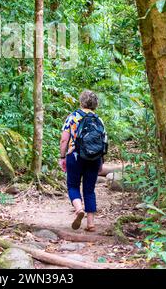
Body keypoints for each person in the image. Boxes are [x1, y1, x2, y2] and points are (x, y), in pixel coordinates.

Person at [59, 90, 107, 232]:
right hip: (94, 158)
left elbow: (64, 139)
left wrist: (62, 157)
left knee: (73, 186)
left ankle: (79, 209)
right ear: (95, 104)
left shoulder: (72, 117)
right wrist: (101, 162)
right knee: (89, 190)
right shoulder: (99, 120)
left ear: (81, 101)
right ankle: (91, 223)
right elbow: (104, 142)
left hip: (74, 156)